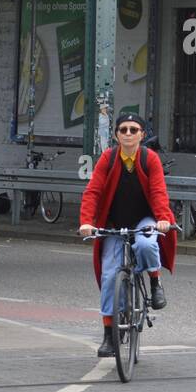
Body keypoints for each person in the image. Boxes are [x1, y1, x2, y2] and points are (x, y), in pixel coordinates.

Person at [79, 112, 178, 359]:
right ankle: (108, 336)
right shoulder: (108, 158)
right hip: (114, 221)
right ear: (116, 135)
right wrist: (86, 223)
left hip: (146, 218)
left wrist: (163, 219)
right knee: (110, 274)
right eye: (123, 129)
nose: (128, 134)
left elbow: (157, 191)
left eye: (134, 130)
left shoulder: (149, 159)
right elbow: (92, 192)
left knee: (145, 245)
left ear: (142, 135)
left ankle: (155, 283)